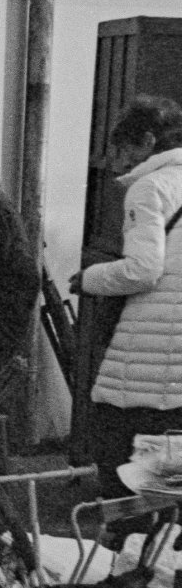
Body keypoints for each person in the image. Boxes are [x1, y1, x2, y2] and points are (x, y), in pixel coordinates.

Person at [72, 95, 182, 494]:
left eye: (123, 149)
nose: (118, 161)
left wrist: (90, 278)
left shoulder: (150, 187)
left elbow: (143, 270)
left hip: (150, 356)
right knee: (172, 486)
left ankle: (128, 531)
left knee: (125, 478)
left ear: (149, 141)